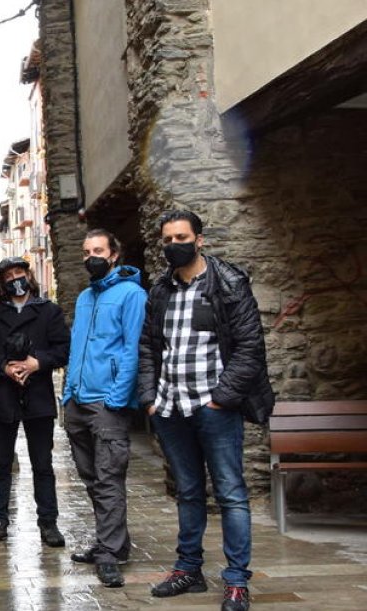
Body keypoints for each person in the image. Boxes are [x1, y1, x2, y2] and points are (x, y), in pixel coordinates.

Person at [139, 209, 273, 611]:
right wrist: (150, 399)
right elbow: (148, 346)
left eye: (181, 238)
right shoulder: (160, 290)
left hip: (214, 408)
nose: (173, 245)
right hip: (171, 407)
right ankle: (188, 569)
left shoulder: (230, 284)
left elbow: (250, 348)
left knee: (230, 493)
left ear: (199, 239)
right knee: (188, 492)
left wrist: (221, 398)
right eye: (167, 240)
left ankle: (236, 582)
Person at [62, 231, 147, 588]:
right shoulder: (84, 297)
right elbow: (77, 346)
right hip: (77, 400)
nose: (90, 257)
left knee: (109, 477)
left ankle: (109, 553)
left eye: (98, 251)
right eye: (86, 252)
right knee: (91, 477)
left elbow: (132, 349)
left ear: (114, 255)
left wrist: (116, 397)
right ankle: (113, 542)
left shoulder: (132, 294)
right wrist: (68, 392)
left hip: (106, 402)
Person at [0, 257, 70, 551]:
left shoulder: (48, 311)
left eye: (19, 272)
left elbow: (63, 348)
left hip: (37, 396)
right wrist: (4, 367)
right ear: (2, 281)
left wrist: (37, 363)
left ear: (28, 275)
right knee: (0, 463)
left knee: (43, 463)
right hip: (4, 396)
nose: (15, 278)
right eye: (9, 275)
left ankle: (48, 523)